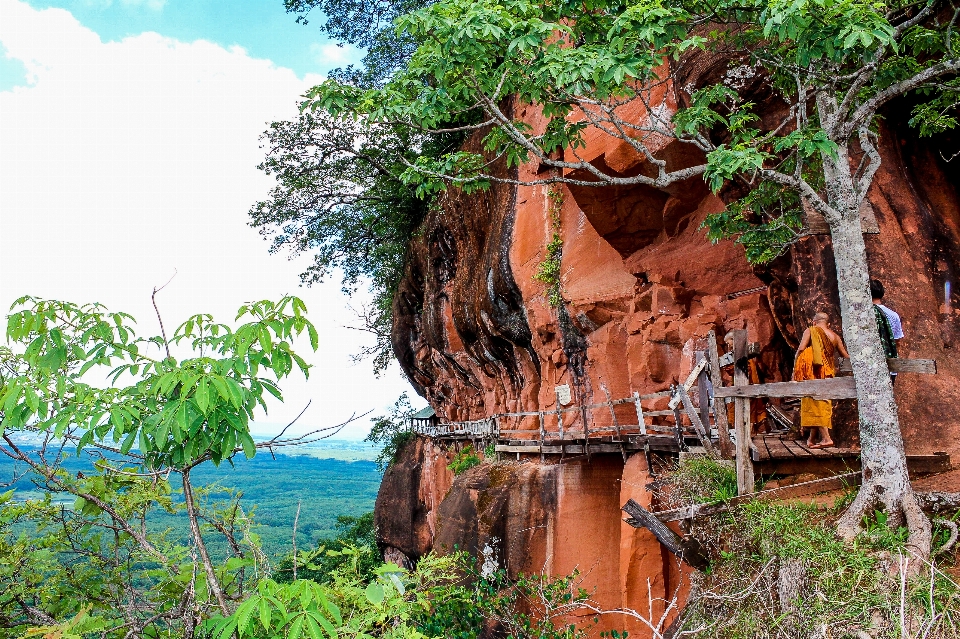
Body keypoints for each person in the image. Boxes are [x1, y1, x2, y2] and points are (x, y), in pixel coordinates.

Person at [793, 312, 850, 448]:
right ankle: (811, 439)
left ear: (814, 322)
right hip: (828, 373)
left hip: (813, 373)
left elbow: (801, 349)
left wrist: (795, 370)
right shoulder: (835, 336)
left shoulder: (810, 331)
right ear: (828, 324)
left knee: (814, 404)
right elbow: (845, 356)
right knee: (822, 405)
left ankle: (826, 438)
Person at [871, 279, 903, 382]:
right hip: (889, 365)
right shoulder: (893, 315)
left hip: (869, 367)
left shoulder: (864, 315)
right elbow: (897, 341)